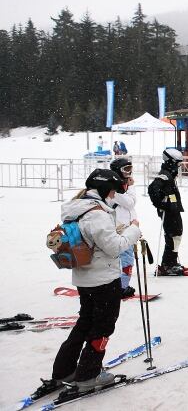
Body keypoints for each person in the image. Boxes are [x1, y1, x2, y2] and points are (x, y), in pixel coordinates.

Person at [34, 169, 141, 399]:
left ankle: (65, 370)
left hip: (84, 279)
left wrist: (118, 230)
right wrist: (133, 229)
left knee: (85, 322)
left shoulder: (76, 209)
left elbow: (93, 238)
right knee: (102, 327)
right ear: (104, 190)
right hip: (104, 280)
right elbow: (113, 247)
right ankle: (88, 375)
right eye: (112, 192)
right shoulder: (97, 213)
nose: (113, 196)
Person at [148, 148, 188, 276]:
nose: (179, 166)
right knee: (172, 236)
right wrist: (162, 205)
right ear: (171, 162)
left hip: (173, 208)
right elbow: (152, 189)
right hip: (169, 210)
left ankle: (172, 262)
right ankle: (167, 264)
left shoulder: (170, 173)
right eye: (178, 163)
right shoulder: (165, 175)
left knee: (176, 234)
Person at [109, 158, 137, 298]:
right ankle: (121, 287)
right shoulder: (114, 190)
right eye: (126, 170)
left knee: (126, 258)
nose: (129, 173)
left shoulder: (122, 187)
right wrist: (131, 187)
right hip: (120, 230)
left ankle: (121, 285)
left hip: (127, 227)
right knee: (125, 259)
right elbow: (130, 203)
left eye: (130, 169)